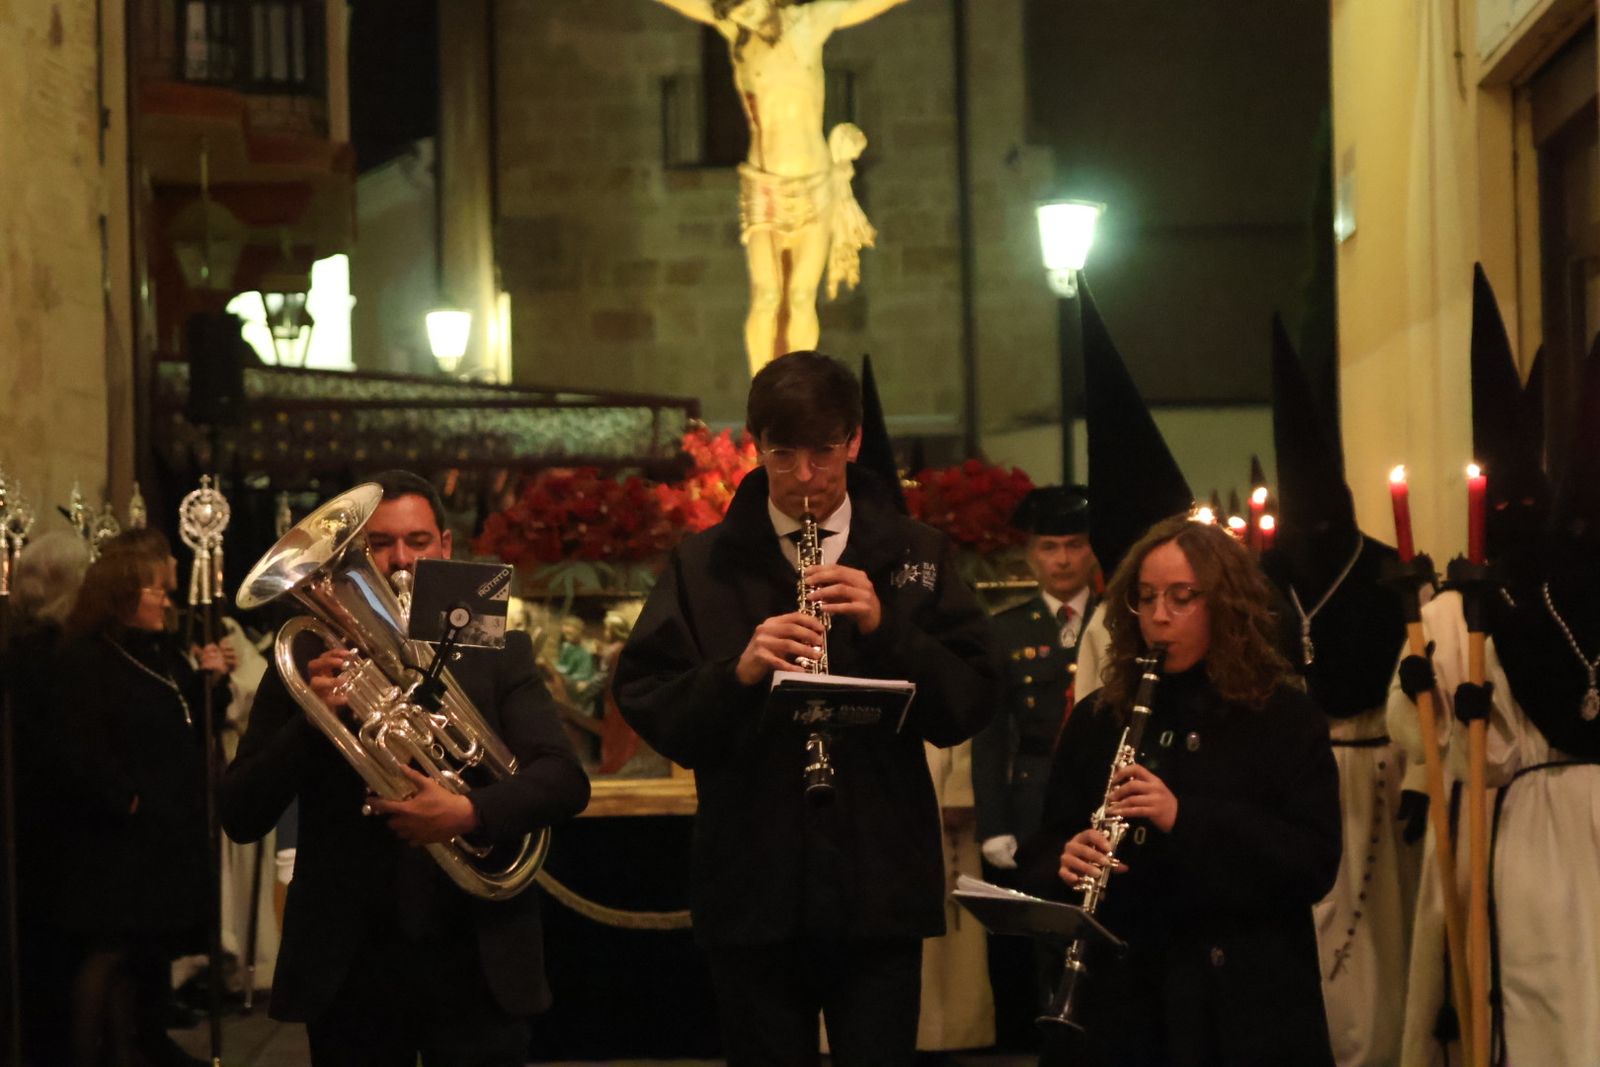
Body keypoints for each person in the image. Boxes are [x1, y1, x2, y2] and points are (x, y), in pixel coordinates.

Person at [612, 351, 996, 1067]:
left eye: (823, 453)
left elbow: (971, 702)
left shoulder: (916, 552)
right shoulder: (704, 564)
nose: (806, 478)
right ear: (757, 446)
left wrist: (890, 631)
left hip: (878, 881)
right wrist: (742, 670)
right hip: (753, 883)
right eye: (783, 455)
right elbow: (650, 701)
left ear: (853, 440)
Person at [219, 470, 590, 1067]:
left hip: (476, 958)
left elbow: (566, 782)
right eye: (378, 545)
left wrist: (468, 811)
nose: (399, 562)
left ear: (445, 547)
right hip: (350, 966)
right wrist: (312, 720)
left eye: (417, 543)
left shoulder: (498, 651)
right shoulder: (305, 660)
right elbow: (239, 813)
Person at [1018, 514, 1340, 1067]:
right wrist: (1064, 859)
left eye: (1182, 597)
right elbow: (1045, 844)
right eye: (1146, 597)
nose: (1159, 616)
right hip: (1122, 1000)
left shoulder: (1284, 717)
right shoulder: (1101, 716)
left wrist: (1182, 816)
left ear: (1227, 605)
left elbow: (1312, 864)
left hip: (1238, 1006)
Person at [650, 0, 913, 373]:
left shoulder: (811, 23)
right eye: (738, 12)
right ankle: (764, 390)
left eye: (749, 9)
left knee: (803, 295)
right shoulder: (738, 30)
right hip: (763, 184)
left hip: (814, 183)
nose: (745, 18)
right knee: (767, 293)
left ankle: (797, 383)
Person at [51, 529, 232, 1067]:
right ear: (124, 591)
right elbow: (77, 745)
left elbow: (191, 721)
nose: (169, 601)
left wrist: (212, 681)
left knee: (148, 951)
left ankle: (140, 1043)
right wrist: (123, 800)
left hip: (162, 834)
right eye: (159, 590)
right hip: (119, 837)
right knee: (113, 951)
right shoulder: (86, 660)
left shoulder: (160, 650)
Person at [969, 485, 1097, 1049]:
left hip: (1100, 793)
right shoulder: (1007, 628)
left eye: (1073, 545)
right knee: (1045, 933)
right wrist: (994, 823)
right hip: (1035, 800)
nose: (1062, 559)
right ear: (1030, 555)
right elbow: (991, 736)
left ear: (1092, 550)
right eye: (1049, 547)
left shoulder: (1117, 618)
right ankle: (1056, 1044)